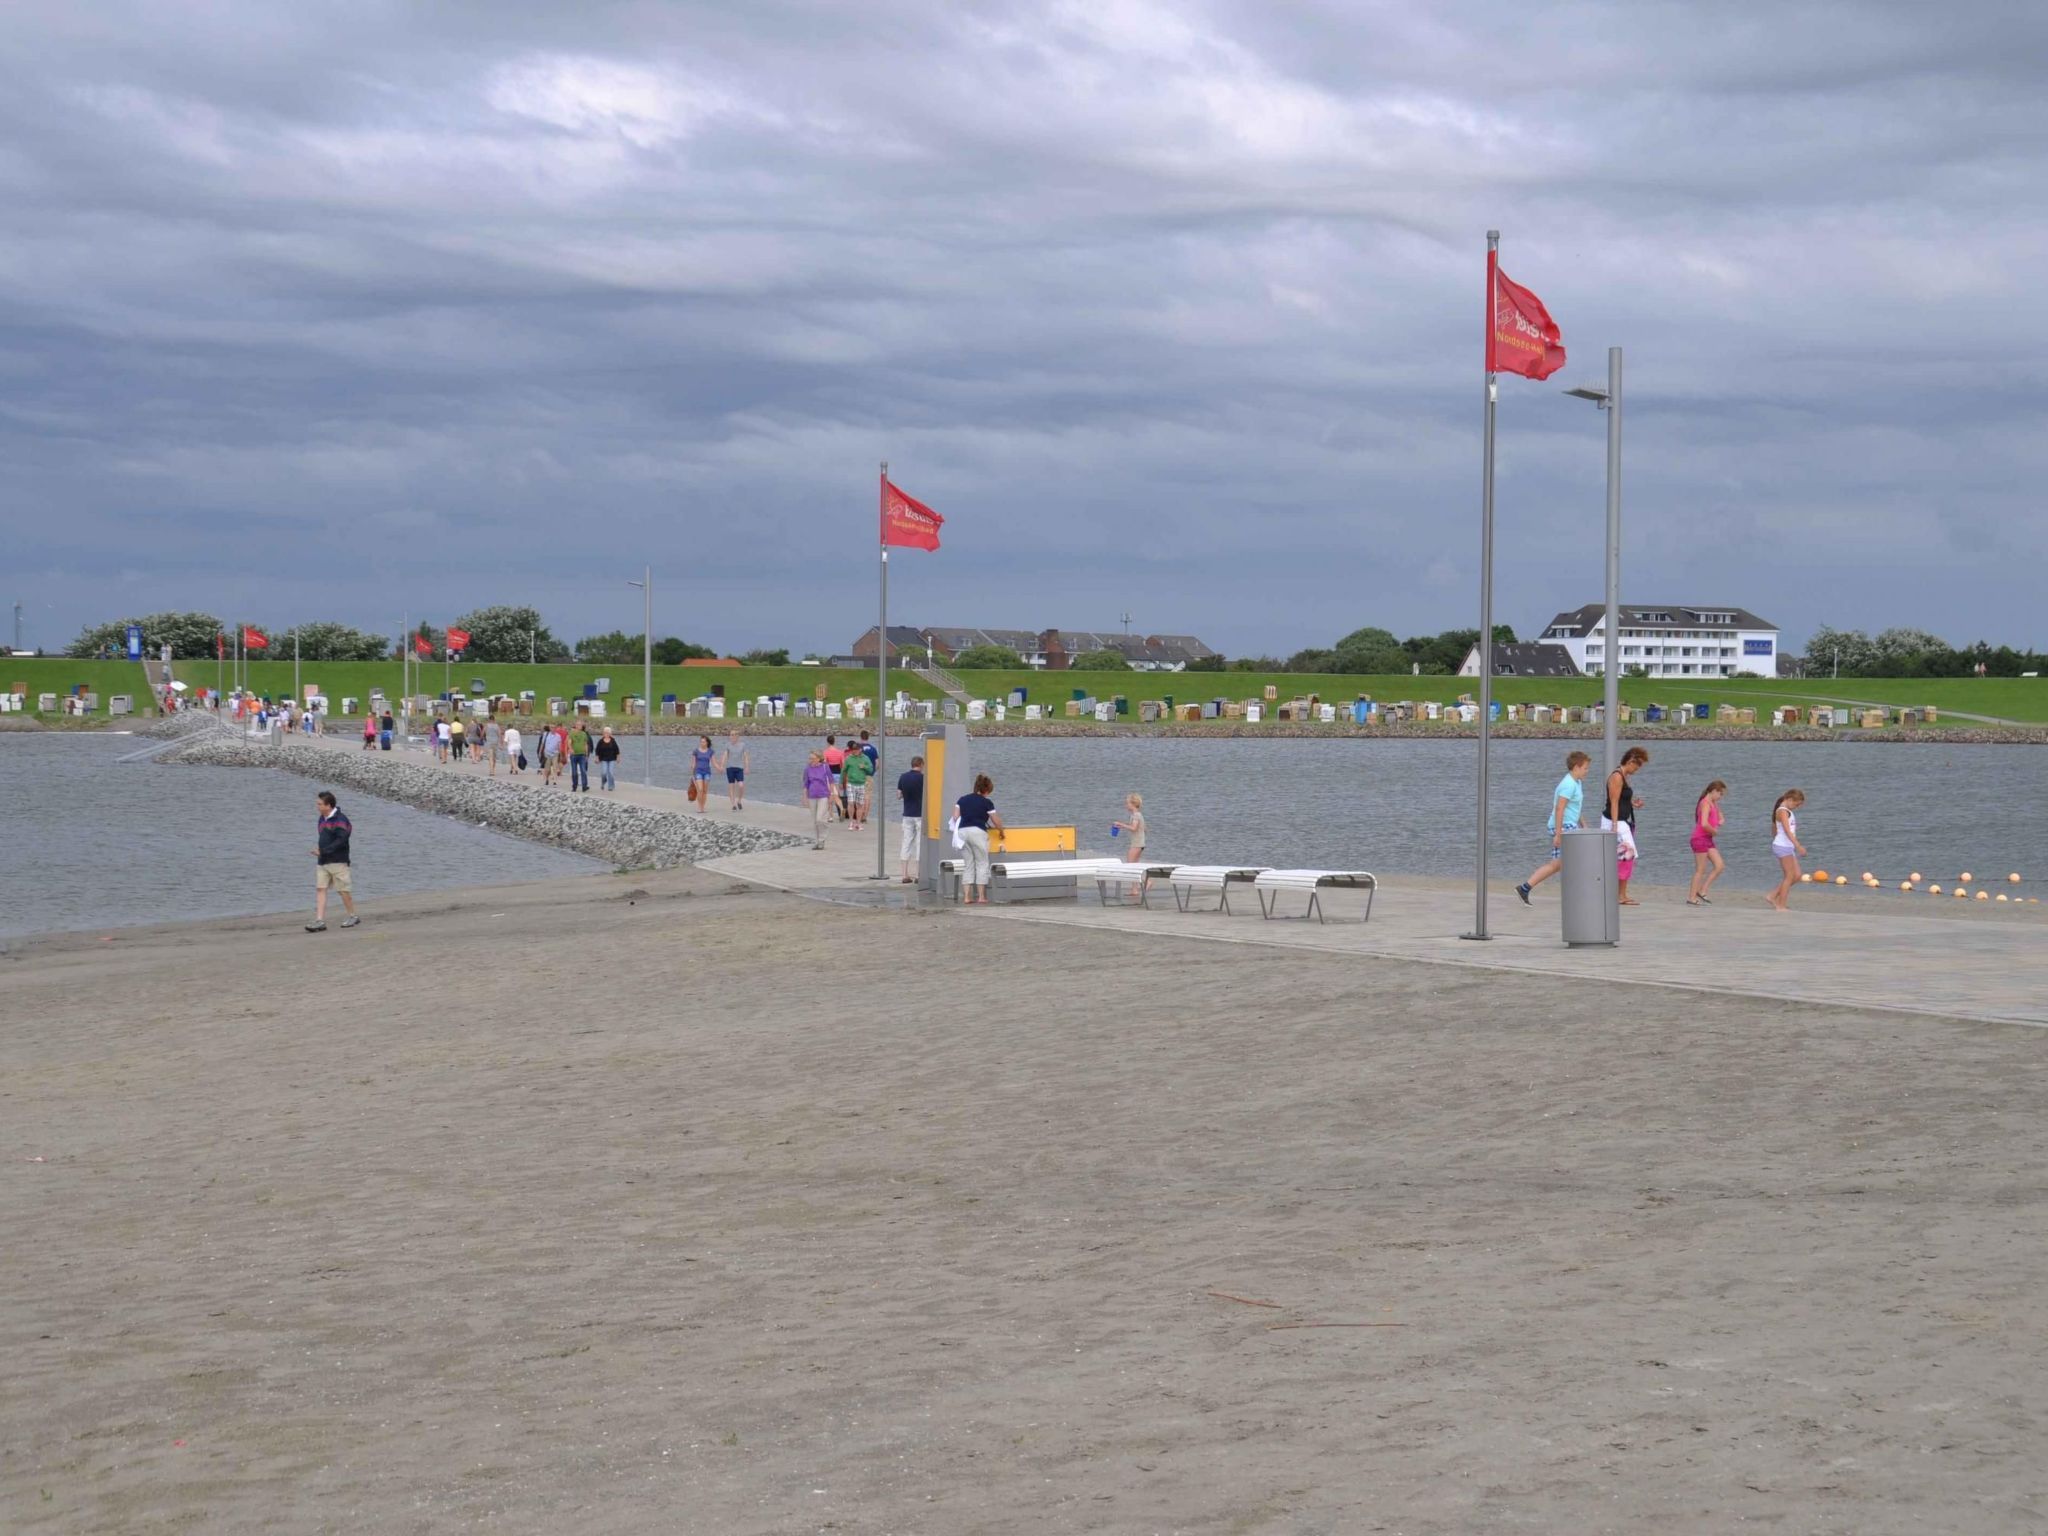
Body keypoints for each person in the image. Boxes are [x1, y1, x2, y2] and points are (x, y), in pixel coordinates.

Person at [1516, 750, 1592, 904]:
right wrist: (1558, 834)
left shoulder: (1577, 783)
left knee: (1558, 864)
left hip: (1568, 825)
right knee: (1578, 858)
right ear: (1576, 767)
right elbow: (1560, 808)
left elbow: (1574, 808)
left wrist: (1584, 825)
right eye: (1585, 768)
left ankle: (1525, 888)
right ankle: (1580, 895)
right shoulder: (1568, 784)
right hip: (1563, 826)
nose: (1587, 771)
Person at [1602, 747, 1650, 906]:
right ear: (1630, 762)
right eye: (1637, 766)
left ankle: (1620, 894)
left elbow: (1622, 799)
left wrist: (1633, 804)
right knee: (1627, 857)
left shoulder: (1624, 776)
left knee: (1625, 858)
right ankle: (1620, 895)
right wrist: (1615, 825)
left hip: (1622, 820)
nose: (1637, 769)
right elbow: (1614, 802)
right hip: (1616, 821)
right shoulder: (1617, 776)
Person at [306, 791, 360, 932]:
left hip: (338, 861)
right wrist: (321, 851)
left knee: (343, 890)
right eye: (317, 804)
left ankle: (353, 916)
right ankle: (320, 920)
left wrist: (324, 851)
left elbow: (341, 840)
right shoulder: (322, 818)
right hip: (323, 861)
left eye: (320, 804)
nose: (317, 806)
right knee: (320, 888)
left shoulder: (341, 820)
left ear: (328, 805)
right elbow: (324, 837)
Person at [955, 773, 1003, 905]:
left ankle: (967, 897)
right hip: (978, 832)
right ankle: (981, 896)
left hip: (962, 832)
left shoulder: (962, 799)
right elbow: (996, 821)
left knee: (968, 864)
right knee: (982, 863)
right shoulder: (987, 802)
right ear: (986, 790)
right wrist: (1001, 831)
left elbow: (955, 817)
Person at [1687, 780, 1727, 906]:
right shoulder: (1705, 803)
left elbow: (1719, 815)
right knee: (1700, 870)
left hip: (1708, 839)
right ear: (1714, 791)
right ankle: (1691, 897)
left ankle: (1702, 890)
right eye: (1720, 794)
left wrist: (1720, 820)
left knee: (1719, 865)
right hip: (1699, 839)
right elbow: (1704, 823)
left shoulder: (1713, 802)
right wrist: (1714, 831)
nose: (1721, 797)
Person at [1767, 789, 1808, 911]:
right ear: (1790, 799)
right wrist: (1798, 846)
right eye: (1796, 804)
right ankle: (1781, 905)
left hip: (1787, 847)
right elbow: (1786, 831)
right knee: (1789, 876)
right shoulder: (1782, 811)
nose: (1797, 807)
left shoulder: (1786, 811)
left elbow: (1776, 830)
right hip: (1783, 847)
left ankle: (1772, 895)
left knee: (1797, 875)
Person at [897, 753, 924, 883]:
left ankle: (904, 875)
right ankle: (918, 875)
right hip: (920, 815)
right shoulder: (923, 778)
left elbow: (898, 795)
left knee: (906, 843)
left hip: (907, 814)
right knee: (919, 844)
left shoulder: (903, 777)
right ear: (921, 765)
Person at [803, 750, 833, 849]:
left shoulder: (825, 767)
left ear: (819, 758)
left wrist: (832, 795)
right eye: (810, 758)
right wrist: (804, 797)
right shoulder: (807, 769)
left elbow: (831, 781)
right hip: (812, 796)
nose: (810, 760)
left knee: (819, 819)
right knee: (814, 821)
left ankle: (822, 837)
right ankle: (818, 842)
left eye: (812, 758)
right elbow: (806, 784)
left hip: (823, 795)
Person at [842, 740, 872, 828]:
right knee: (851, 802)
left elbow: (871, 770)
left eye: (856, 749)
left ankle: (858, 823)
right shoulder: (849, 758)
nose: (854, 751)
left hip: (861, 783)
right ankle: (851, 821)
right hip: (851, 783)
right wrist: (840, 782)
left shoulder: (865, 758)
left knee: (860, 804)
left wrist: (864, 767)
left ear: (860, 750)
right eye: (853, 749)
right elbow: (843, 771)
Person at [718, 730, 748, 810]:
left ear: (738, 736)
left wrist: (747, 767)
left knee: (741, 785)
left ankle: (739, 801)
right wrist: (722, 766)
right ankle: (733, 804)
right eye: (731, 735)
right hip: (730, 768)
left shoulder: (742, 745)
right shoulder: (728, 745)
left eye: (734, 735)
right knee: (731, 786)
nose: (733, 736)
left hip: (739, 768)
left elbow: (745, 756)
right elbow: (725, 756)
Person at [823, 736, 847, 819]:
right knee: (837, 794)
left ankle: (831, 816)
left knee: (830, 795)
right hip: (838, 774)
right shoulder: (840, 752)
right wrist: (843, 776)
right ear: (834, 741)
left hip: (829, 775)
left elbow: (825, 764)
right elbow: (843, 765)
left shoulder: (826, 752)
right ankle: (841, 809)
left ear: (827, 742)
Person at [691, 736, 715, 812]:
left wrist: (719, 768)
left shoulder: (710, 751)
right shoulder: (696, 751)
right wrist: (692, 774)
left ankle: (702, 808)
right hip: (698, 772)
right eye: (701, 742)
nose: (702, 743)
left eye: (703, 742)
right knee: (700, 789)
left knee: (704, 791)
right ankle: (699, 807)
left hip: (707, 772)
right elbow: (693, 763)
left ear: (707, 743)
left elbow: (714, 762)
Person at [568, 722, 592, 792]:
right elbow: (569, 742)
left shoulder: (584, 734)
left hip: (582, 755)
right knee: (574, 771)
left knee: (583, 770)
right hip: (574, 755)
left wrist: (586, 754)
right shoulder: (572, 733)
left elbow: (585, 744)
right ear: (576, 726)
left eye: (581, 725)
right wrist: (570, 749)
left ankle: (584, 786)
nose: (580, 726)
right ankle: (574, 786)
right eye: (579, 725)